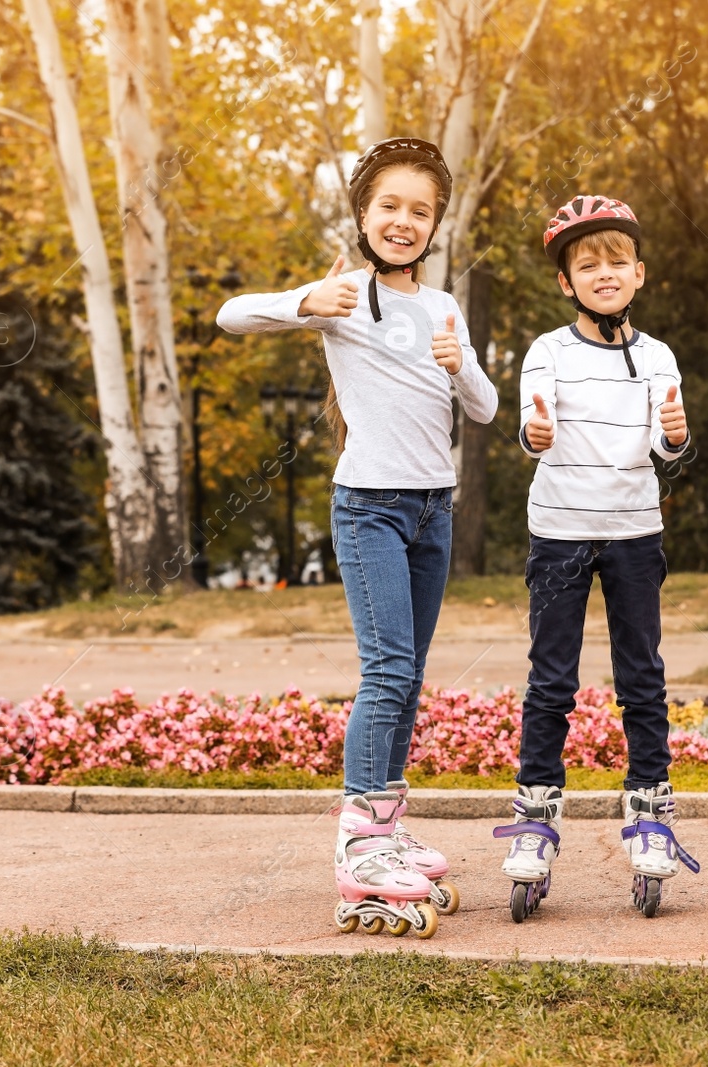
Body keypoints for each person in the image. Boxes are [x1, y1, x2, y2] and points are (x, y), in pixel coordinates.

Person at [217, 137, 497, 938]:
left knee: (409, 675)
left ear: (434, 222)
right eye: (390, 206)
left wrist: (459, 363)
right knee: (388, 667)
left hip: (430, 509)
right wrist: (306, 303)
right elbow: (230, 315)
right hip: (369, 504)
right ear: (364, 214)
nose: (404, 221)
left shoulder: (443, 307)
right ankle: (359, 843)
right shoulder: (342, 291)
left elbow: (481, 409)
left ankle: (387, 823)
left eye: (420, 210)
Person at [492, 195, 698, 921]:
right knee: (551, 681)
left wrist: (674, 435)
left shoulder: (661, 356)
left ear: (638, 273)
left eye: (616, 261)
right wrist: (536, 434)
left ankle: (649, 817)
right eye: (587, 264)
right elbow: (532, 423)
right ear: (566, 282)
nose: (603, 273)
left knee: (642, 678)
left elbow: (667, 449)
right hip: (559, 534)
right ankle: (536, 823)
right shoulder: (549, 352)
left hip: (635, 532)